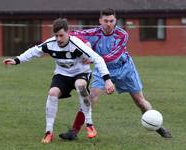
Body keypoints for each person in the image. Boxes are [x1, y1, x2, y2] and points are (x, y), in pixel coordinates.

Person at [59, 8, 172, 140]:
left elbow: (113, 56)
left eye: (111, 21)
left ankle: (156, 125)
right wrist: (86, 43)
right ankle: (74, 132)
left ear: (115, 21)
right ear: (100, 21)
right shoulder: (94, 32)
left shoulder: (122, 34)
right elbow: (72, 34)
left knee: (140, 102)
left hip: (125, 68)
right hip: (102, 69)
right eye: (105, 21)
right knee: (91, 98)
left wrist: (92, 57)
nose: (108, 24)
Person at [3, 18, 115, 144]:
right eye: (56, 36)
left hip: (80, 73)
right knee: (52, 93)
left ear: (68, 32)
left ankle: (89, 124)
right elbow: (34, 51)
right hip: (62, 75)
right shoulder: (51, 44)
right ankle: (48, 132)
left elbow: (98, 59)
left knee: (80, 86)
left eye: (61, 35)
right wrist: (17, 60)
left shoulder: (76, 44)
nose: (59, 39)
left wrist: (107, 80)